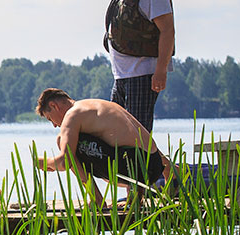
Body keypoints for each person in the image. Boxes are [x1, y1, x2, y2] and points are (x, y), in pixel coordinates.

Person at [35, 88, 170, 206]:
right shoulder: (99, 104)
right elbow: (139, 138)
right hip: (153, 166)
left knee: (62, 140)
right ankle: (135, 197)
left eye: (50, 118)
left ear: (54, 106)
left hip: (134, 168)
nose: (54, 125)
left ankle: (96, 199)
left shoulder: (72, 115)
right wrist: (168, 168)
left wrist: (44, 162)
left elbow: (65, 161)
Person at [101, 0, 175, 132]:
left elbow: (167, 30)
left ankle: (146, 154)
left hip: (142, 74)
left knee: (136, 133)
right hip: (122, 75)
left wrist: (161, 70)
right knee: (114, 131)